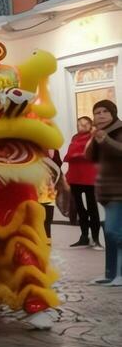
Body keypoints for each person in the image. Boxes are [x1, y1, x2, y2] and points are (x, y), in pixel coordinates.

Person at [88, 99, 122, 287]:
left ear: (112, 114)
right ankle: (110, 274)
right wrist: (95, 139)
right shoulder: (100, 133)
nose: (100, 116)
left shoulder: (119, 130)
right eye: (97, 112)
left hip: (119, 189)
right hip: (106, 190)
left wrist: (106, 140)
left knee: (114, 231)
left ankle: (120, 274)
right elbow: (90, 157)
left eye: (104, 112)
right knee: (110, 234)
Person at [64, 115, 100, 248]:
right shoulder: (75, 138)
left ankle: (96, 239)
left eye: (85, 124)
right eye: (79, 124)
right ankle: (84, 236)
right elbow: (69, 155)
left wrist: (75, 155)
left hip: (90, 177)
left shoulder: (94, 137)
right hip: (75, 177)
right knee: (79, 208)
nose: (81, 126)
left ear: (91, 125)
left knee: (92, 208)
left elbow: (90, 155)